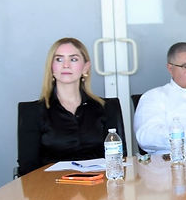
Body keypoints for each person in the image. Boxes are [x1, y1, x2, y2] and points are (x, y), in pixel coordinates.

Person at [18, 37, 126, 176]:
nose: (66, 65)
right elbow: (28, 169)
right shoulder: (33, 112)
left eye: (73, 59)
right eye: (59, 59)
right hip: (51, 189)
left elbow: (118, 159)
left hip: (99, 188)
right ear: (51, 67)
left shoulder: (106, 108)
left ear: (85, 67)